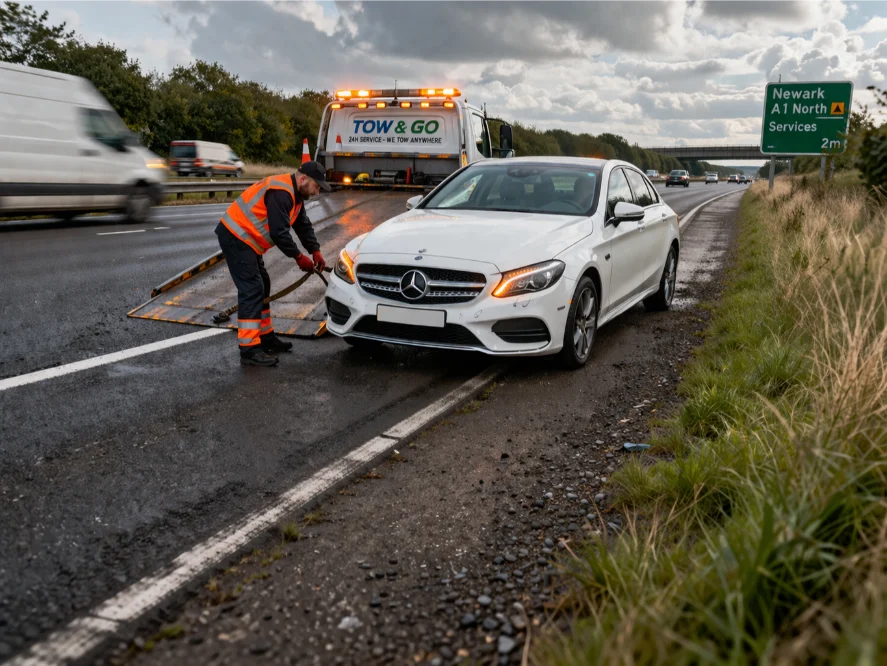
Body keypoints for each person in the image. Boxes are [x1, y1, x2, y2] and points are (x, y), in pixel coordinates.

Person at [215, 161, 331, 367]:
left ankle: (265, 337)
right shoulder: (281, 193)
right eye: (316, 186)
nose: (317, 192)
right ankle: (249, 350)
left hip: (248, 241)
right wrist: (298, 257)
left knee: (263, 284)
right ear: (303, 179)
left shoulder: (296, 196)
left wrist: (315, 251)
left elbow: (302, 225)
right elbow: (279, 232)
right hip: (236, 237)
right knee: (252, 289)